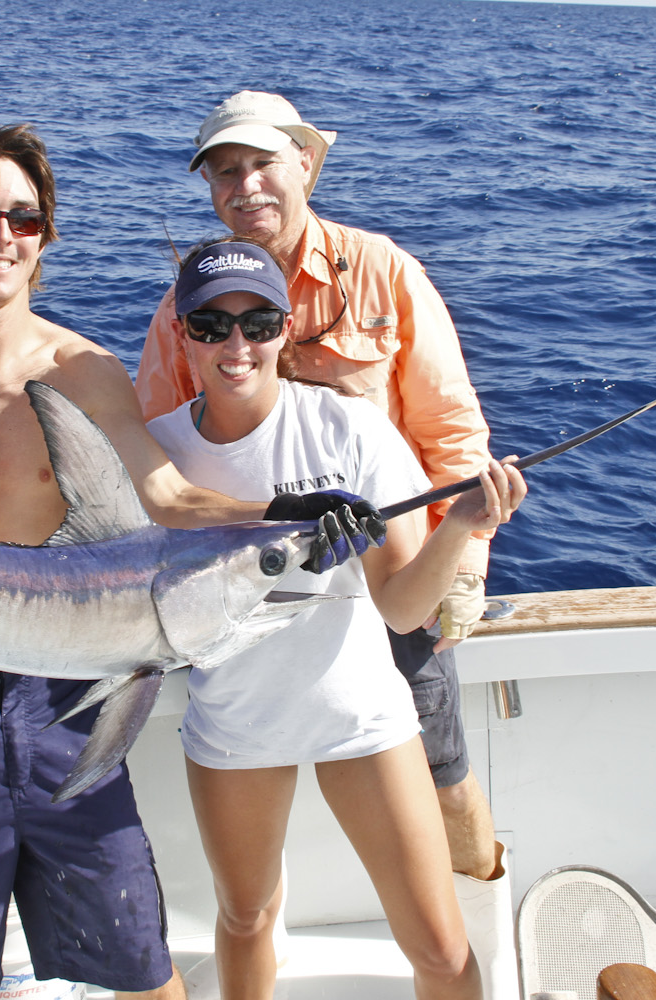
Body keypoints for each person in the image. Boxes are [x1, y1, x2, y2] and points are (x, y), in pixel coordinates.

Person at [0, 124, 364, 1000]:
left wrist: (283, 512)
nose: (1, 237)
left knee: (142, 969)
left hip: (64, 692)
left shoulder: (83, 368)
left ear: (45, 237)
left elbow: (168, 500)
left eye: (24, 218)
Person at [134, 91, 517, 998]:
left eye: (259, 323)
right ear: (188, 328)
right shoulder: (171, 350)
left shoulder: (381, 275)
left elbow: (450, 431)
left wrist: (459, 542)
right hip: (240, 678)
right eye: (212, 324)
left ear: (306, 162)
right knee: (245, 911)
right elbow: (150, 478)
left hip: (381, 589)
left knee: (450, 784)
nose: (238, 344)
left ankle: (495, 912)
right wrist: (276, 514)